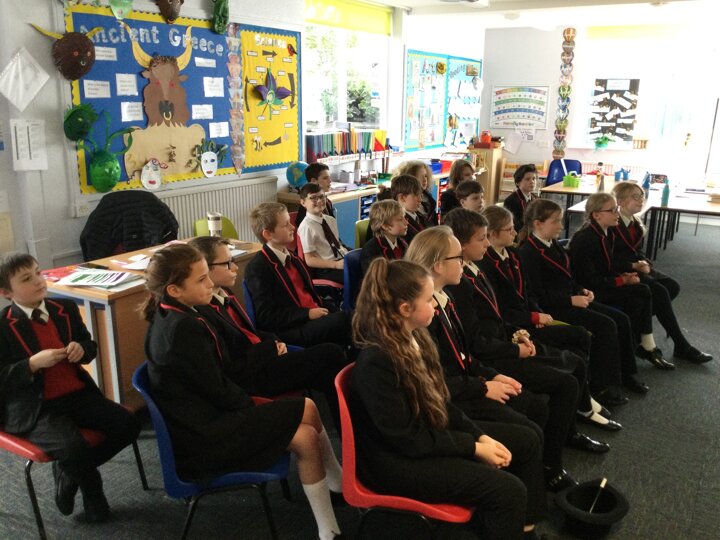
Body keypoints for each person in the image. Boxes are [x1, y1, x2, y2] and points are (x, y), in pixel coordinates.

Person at [142, 244, 344, 540]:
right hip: (204, 438)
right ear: (174, 290)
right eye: (201, 279)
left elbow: (217, 382)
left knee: (306, 425)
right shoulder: (184, 330)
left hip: (210, 417)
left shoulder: (175, 315)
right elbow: (219, 388)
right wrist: (255, 406)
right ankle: (331, 520)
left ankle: (333, 507)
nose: (209, 284)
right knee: (306, 425)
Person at [351, 258, 546, 539]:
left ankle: (523, 530)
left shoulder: (415, 338)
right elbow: (406, 439)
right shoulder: (377, 361)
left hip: (423, 437)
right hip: (395, 462)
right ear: (405, 309)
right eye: (428, 299)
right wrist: (472, 447)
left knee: (525, 442)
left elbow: (441, 401)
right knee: (508, 491)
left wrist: (479, 437)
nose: (435, 304)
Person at [406, 225, 588, 492]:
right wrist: (484, 384)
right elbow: (444, 374)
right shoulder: (426, 314)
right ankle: (532, 478)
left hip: (469, 378)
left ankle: (538, 472)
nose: (462, 262)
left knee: (539, 408)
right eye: (457, 257)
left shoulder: (445, 297)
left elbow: (465, 352)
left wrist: (496, 372)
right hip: (456, 393)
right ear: (437, 265)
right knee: (531, 426)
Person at [0, 253, 140, 523]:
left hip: (77, 394)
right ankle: (94, 495)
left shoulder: (63, 308)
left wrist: (82, 349)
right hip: (36, 407)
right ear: (6, 293)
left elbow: (89, 346)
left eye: (38, 272)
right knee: (73, 448)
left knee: (128, 424)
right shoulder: (4, 326)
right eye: (27, 279)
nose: (38, 281)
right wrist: (30, 364)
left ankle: (69, 471)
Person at [480, 206, 621, 432]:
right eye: (509, 230)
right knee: (579, 344)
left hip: (530, 318)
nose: (515, 233)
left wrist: (537, 312)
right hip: (517, 327)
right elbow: (502, 310)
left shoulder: (513, 255)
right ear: (492, 234)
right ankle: (584, 405)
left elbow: (529, 293)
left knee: (581, 339)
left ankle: (584, 399)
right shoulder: (489, 264)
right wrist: (533, 316)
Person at [187, 236, 347, 429]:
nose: (235, 268)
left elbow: (249, 331)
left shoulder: (224, 293)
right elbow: (233, 361)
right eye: (227, 263)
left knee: (329, 359)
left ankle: (345, 421)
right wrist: (270, 348)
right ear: (206, 268)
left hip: (263, 356)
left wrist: (273, 341)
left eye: (233, 261)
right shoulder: (203, 312)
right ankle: (348, 426)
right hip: (253, 374)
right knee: (331, 354)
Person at [517, 198, 644, 401]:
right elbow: (537, 295)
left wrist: (581, 289)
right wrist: (571, 300)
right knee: (606, 325)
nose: (561, 226)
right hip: (553, 308)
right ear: (538, 224)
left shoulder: (552, 244)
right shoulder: (528, 252)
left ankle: (625, 374)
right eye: (555, 221)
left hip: (569, 299)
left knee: (621, 319)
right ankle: (601, 386)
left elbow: (568, 277)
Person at [569, 193, 676, 370]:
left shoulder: (606, 233)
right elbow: (589, 280)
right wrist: (621, 281)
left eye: (616, 209)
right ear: (597, 215)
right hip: (590, 291)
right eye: (612, 210)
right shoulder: (585, 238)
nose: (617, 213)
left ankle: (634, 347)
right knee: (642, 292)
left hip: (602, 284)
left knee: (641, 294)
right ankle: (643, 347)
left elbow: (608, 265)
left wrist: (625, 275)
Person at [611, 182, 712, 364]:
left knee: (672, 286)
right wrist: (634, 265)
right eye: (635, 197)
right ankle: (680, 345)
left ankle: (636, 329)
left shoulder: (635, 223)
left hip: (636, 267)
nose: (641, 200)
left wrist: (645, 262)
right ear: (620, 201)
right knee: (660, 292)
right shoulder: (613, 224)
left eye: (642, 196)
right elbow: (608, 258)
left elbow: (637, 251)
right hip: (621, 271)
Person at [244, 202, 352, 348]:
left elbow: (311, 295)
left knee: (354, 317)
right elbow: (266, 316)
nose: (292, 227)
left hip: (313, 316)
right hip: (293, 327)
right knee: (349, 320)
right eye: (285, 224)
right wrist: (307, 314)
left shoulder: (293, 257)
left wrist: (331, 310)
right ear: (268, 234)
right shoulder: (258, 268)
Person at [297, 183, 348, 284]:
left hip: (341, 259)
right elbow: (309, 260)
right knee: (358, 277)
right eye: (313, 198)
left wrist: (348, 255)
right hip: (325, 268)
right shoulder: (306, 226)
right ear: (303, 202)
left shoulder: (330, 220)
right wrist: (335, 265)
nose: (319, 201)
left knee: (368, 267)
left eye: (321, 197)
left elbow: (337, 245)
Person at [360, 200, 408, 276]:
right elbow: (377, 280)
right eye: (400, 219)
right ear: (385, 226)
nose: (406, 222)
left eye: (404, 218)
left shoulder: (403, 243)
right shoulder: (371, 251)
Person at [394, 160, 438, 226]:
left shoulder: (428, 198)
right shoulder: (408, 203)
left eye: (425, 176)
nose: (425, 180)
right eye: (420, 177)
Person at [295, 162, 335, 229]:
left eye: (329, 177)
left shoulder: (327, 202)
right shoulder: (308, 205)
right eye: (325, 178)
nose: (330, 181)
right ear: (313, 181)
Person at [390, 174, 427, 244]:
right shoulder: (397, 223)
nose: (420, 199)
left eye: (421, 195)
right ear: (402, 198)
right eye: (416, 195)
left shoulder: (420, 216)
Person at [503, 164, 539, 232]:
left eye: (534, 178)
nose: (532, 182)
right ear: (518, 182)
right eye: (527, 179)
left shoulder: (536, 199)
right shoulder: (510, 201)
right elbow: (514, 226)